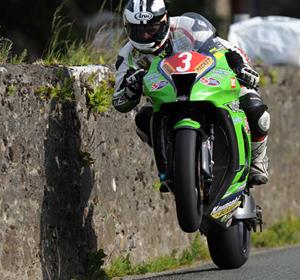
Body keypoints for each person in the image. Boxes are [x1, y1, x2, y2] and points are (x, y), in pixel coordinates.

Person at [112, 0, 270, 186]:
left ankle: (258, 160)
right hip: (167, 98)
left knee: (255, 108)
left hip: (209, 83)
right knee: (143, 119)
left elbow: (226, 48)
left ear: (165, 21)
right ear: (128, 28)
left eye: (152, 29)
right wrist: (131, 88)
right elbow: (119, 101)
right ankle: (173, 162)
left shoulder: (188, 26)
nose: (146, 35)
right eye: (139, 31)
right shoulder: (127, 55)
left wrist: (241, 66)